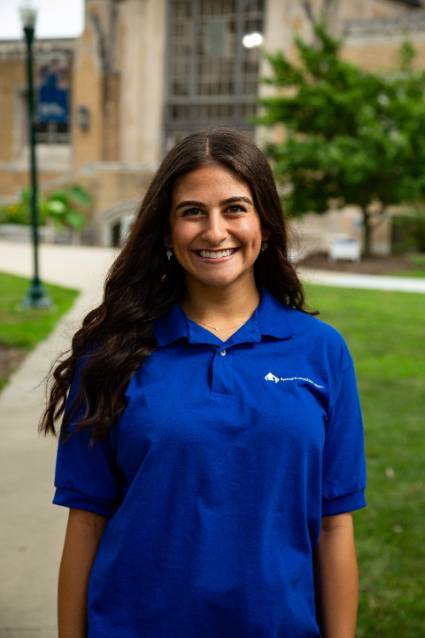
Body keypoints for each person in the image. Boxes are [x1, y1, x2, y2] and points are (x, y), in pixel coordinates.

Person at [39, 127, 367, 638]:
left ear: (265, 222)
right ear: (167, 232)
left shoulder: (322, 351)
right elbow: (86, 522)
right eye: (193, 211)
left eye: (235, 208)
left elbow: (334, 524)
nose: (215, 232)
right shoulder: (110, 355)